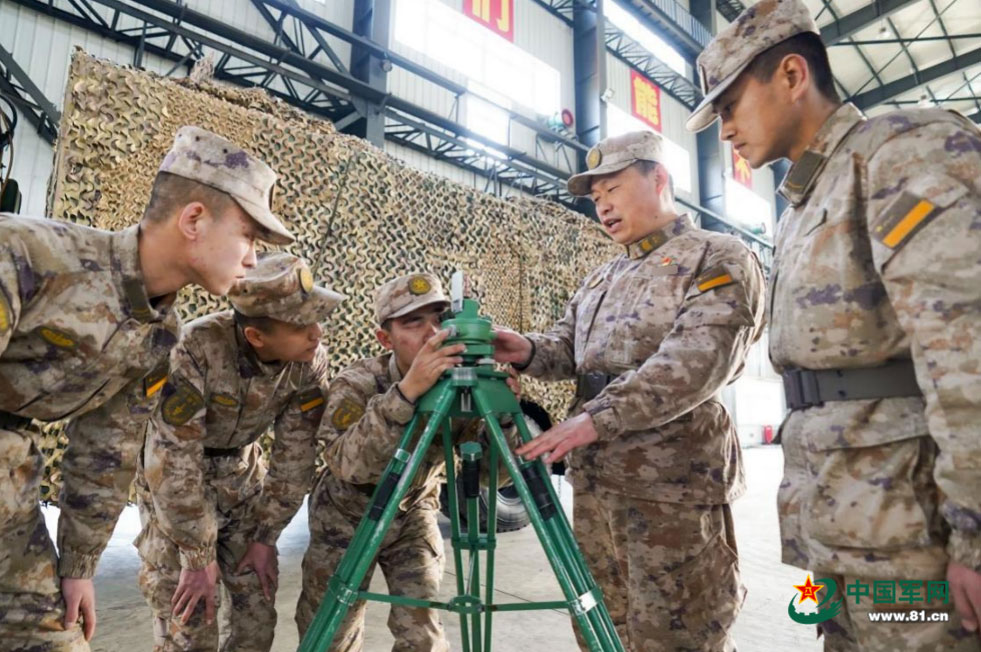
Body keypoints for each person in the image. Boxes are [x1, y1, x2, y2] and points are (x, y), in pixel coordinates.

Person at [686, 0, 981, 649]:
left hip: (911, 542)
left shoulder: (899, 152)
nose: (724, 131)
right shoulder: (803, 203)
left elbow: (963, 349)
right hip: (840, 529)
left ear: (792, 75)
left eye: (730, 106)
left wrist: (976, 533)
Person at [0, 125, 293, 650]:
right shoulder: (25, 254)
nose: (253, 259)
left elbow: (106, 451)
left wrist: (78, 567)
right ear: (194, 220)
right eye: (249, 236)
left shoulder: (159, 334)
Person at [492, 129, 766, 651]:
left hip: (671, 484)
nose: (602, 205)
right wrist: (522, 349)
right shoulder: (602, 278)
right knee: (602, 625)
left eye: (613, 189)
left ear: (658, 178)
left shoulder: (717, 257)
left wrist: (596, 418)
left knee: (679, 631)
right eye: (596, 197)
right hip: (597, 481)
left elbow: (696, 361)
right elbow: (567, 348)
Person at [295, 272, 518, 651]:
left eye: (439, 319)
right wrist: (406, 394)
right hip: (347, 515)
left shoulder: (460, 385)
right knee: (332, 631)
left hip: (413, 511)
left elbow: (489, 477)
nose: (432, 333)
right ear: (385, 339)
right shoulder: (359, 383)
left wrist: (503, 418)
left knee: (423, 632)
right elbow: (349, 466)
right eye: (413, 323)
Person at [136, 252, 343, 651]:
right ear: (256, 337)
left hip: (242, 483)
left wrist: (266, 536)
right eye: (301, 326)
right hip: (178, 490)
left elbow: (295, 457)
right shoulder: (194, 349)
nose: (316, 334)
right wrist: (197, 556)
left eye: (317, 320)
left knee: (256, 620)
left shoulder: (308, 360)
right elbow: (174, 461)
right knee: (190, 623)